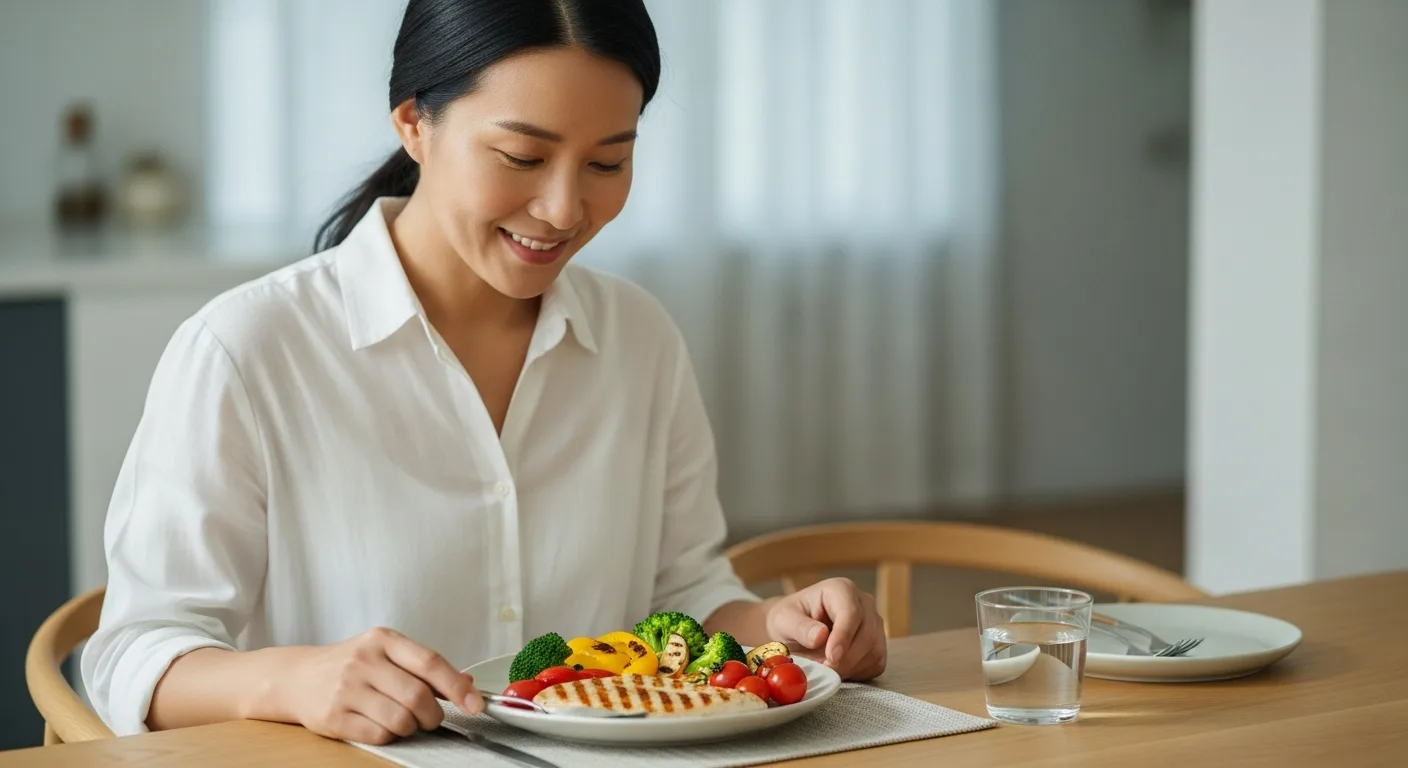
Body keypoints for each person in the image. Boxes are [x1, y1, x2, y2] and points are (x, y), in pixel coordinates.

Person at [81, 0, 887, 746]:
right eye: (521, 156)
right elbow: (133, 656)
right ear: (414, 123)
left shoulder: (639, 338)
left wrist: (782, 628)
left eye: (608, 163)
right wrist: (292, 680)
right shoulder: (248, 350)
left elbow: (681, 595)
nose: (564, 209)